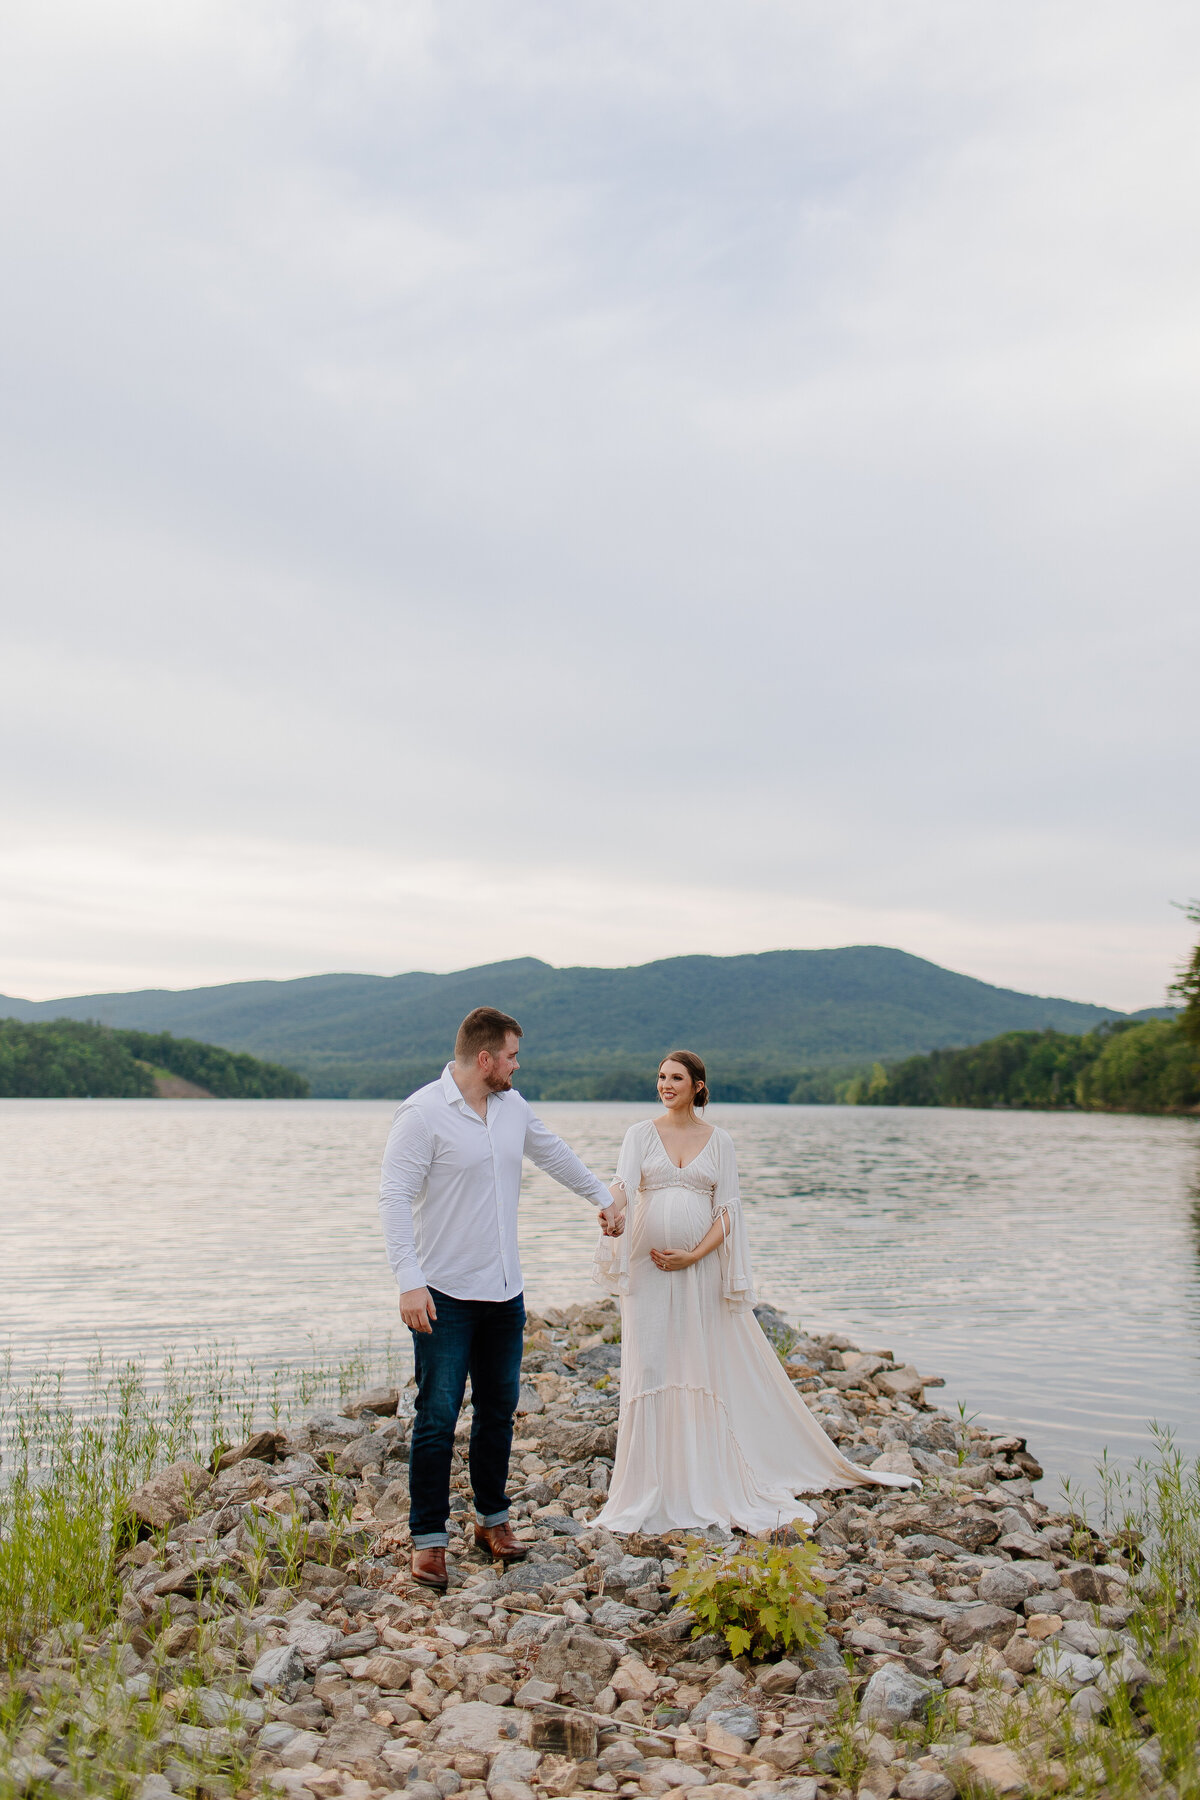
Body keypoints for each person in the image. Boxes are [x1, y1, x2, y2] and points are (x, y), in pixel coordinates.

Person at [593, 1050, 915, 1535]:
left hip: (696, 1270)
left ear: (698, 1086)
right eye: (661, 1077)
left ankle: (701, 1478)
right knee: (651, 1363)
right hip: (648, 1268)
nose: (665, 1084)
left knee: (696, 1363)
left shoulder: (719, 1141)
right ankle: (647, 1485)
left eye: (676, 1077)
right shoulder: (639, 1134)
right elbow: (621, 1186)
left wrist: (695, 1255)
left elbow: (728, 1212)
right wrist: (610, 1211)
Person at [379, 1006, 624, 1589]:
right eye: (512, 1055)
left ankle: (492, 1521)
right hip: (442, 1292)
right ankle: (429, 1540)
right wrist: (408, 1280)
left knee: (498, 1411)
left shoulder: (512, 1107)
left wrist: (602, 1197)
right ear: (485, 1058)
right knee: (437, 1417)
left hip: (505, 1291)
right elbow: (393, 1199)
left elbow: (553, 1152)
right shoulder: (422, 1115)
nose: (518, 1065)